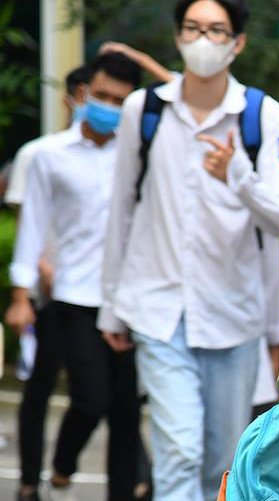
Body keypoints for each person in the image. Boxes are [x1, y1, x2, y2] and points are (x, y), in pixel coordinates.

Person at [97, 1, 279, 500]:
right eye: (193, 28)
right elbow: (121, 207)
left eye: (216, 30)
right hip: (158, 309)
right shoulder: (145, 110)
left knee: (222, 463)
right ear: (178, 36)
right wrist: (111, 306)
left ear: (237, 42)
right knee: (179, 451)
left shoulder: (262, 115)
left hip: (233, 316)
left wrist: (238, 176)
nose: (204, 40)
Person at [7, 52, 142, 501]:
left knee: (126, 411)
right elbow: (31, 227)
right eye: (100, 95)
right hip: (71, 295)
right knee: (90, 397)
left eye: (119, 100)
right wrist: (21, 292)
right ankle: (57, 466)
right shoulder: (47, 156)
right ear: (82, 95)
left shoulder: (138, 152)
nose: (107, 106)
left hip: (128, 298)